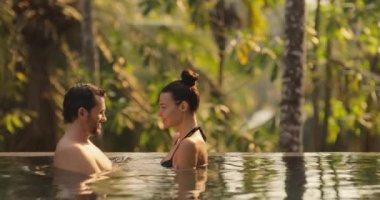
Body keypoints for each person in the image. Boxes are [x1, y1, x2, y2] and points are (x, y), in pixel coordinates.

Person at [54, 83, 112, 175]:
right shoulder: (71, 151)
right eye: (101, 112)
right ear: (82, 113)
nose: (105, 118)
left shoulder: (85, 144)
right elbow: (88, 188)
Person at [159, 69, 208, 170]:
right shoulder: (178, 139)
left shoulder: (188, 145)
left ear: (183, 106)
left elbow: (185, 185)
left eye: (163, 107)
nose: (159, 114)